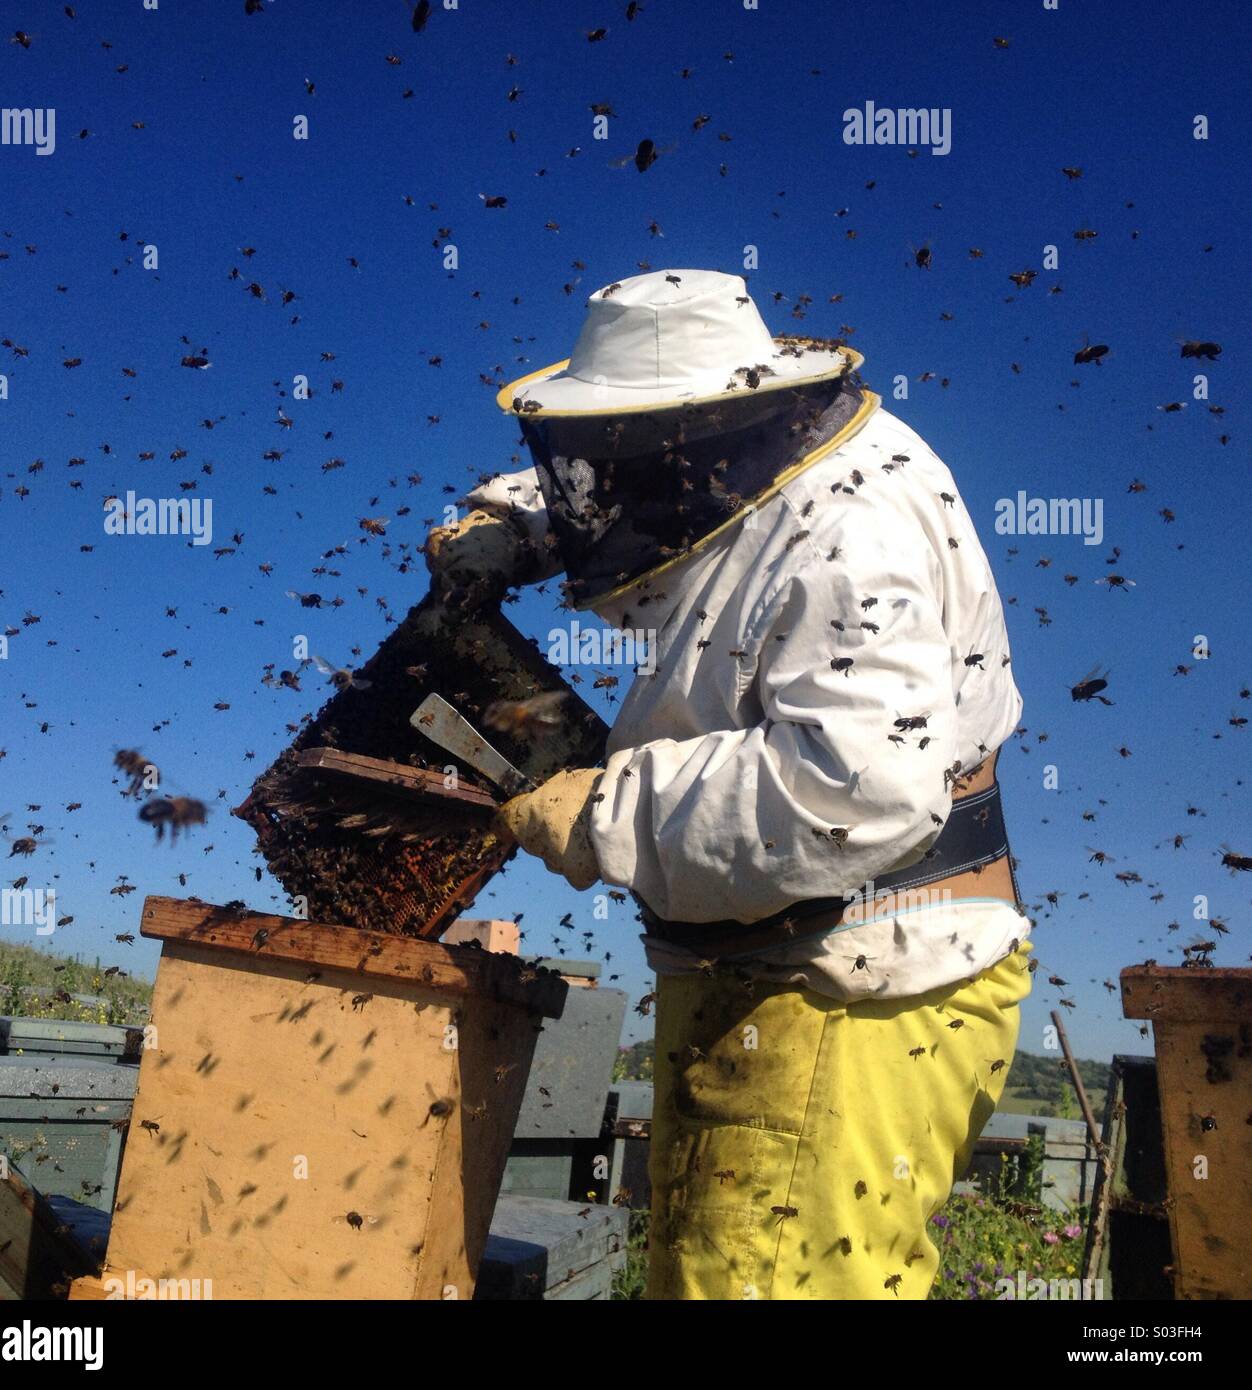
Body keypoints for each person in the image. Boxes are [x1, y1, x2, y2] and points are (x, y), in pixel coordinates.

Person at [426, 269, 1031, 1299]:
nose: (595, 479)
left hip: (841, 994)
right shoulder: (752, 456)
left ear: (703, 428)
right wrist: (515, 522)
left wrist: (606, 811)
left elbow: (860, 786)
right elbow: (627, 481)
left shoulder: (850, 535)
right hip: (785, 975)